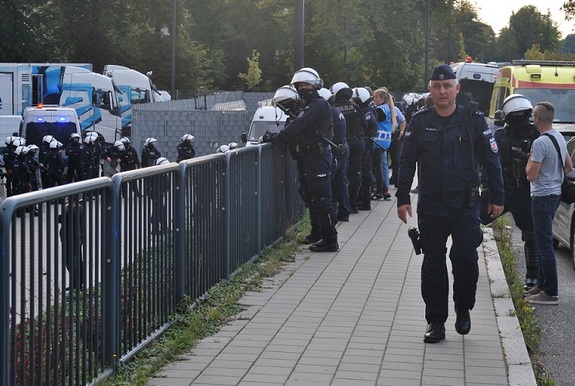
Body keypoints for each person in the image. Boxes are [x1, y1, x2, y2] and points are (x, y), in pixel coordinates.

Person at [396, 64, 504, 343]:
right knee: (433, 264)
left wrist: (498, 197)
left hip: (465, 205)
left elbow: (492, 161)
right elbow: (407, 162)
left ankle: (463, 308)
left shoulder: (474, 121)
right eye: (436, 86)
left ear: (457, 88)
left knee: (465, 260)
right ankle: (436, 321)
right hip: (431, 204)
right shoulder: (420, 121)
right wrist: (402, 197)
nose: (442, 91)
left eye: (447, 86)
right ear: (430, 90)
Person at [261, 68, 339, 252]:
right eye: (300, 85)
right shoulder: (308, 105)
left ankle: (330, 240)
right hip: (309, 156)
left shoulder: (318, 105)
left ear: (315, 85)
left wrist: (275, 138)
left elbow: (298, 125)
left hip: (318, 156)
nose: (303, 88)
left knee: (322, 198)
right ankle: (318, 232)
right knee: (310, 196)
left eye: (306, 84)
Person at [480, 94, 540, 290]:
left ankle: (532, 275)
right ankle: (467, 261)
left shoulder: (535, 135)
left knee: (532, 235)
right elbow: (488, 163)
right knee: (471, 222)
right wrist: (487, 188)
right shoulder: (499, 135)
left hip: (525, 192)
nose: (519, 116)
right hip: (501, 191)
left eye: (522, 113)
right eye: (515, 114)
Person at [525, 101, 573, 305]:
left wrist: (529, 160)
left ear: (537, 118)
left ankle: (550, 292)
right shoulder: (559, 138)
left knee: (544, 245)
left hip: (542, 196)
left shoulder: (540, 143)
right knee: (541, 241)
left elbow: (531, 175)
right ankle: (542, 286)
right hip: (554, 196)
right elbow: (569, 167)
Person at [330, 82, 367, 214]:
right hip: (358, 142)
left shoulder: (334, 108)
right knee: (356, 173)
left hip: (342, 144)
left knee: (341, 174)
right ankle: (352, 204)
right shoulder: (356, 107)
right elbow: (364, 124)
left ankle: (337, 205)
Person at [59, 194, 85, 290]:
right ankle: (77, 283)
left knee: (71, 263)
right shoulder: (79, 209)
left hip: (70, 239)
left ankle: (77, 284)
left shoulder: (71, 212)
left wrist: (65, 210)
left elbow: (59, 219)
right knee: (76, 261)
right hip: (77, 239)